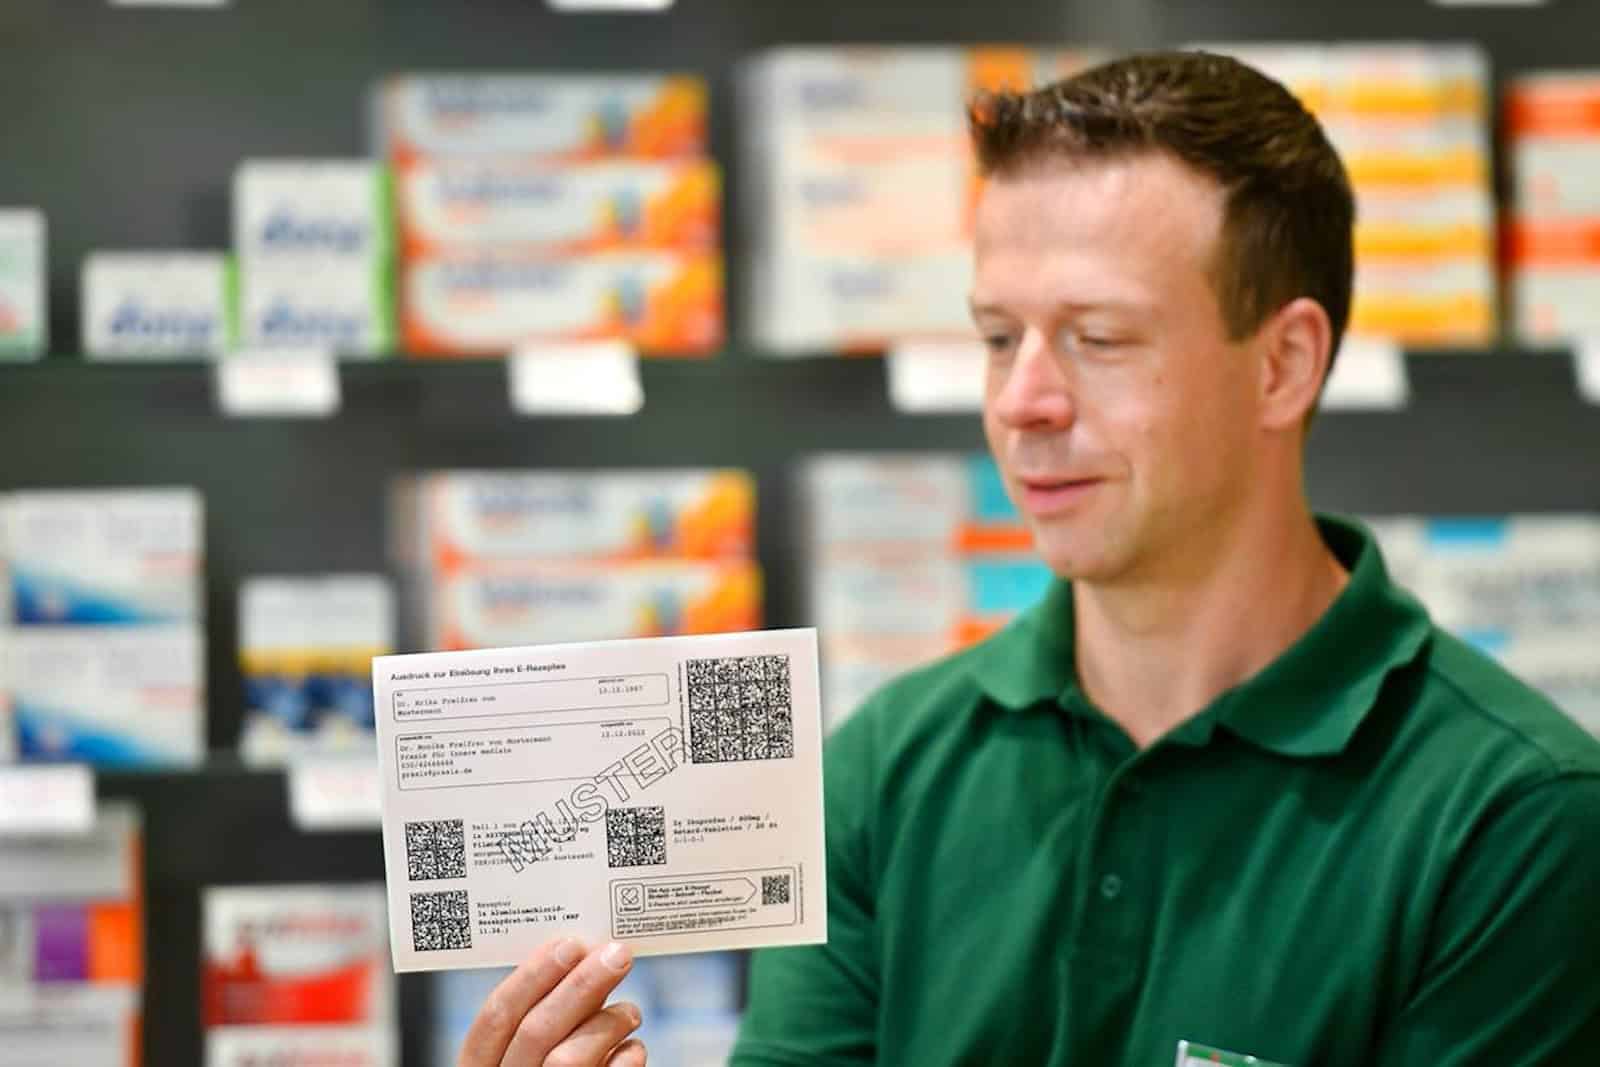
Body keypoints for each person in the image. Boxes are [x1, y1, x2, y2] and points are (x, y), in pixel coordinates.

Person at [456, 50, 1600, 1067]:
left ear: (1283, 364)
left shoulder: (1513, 818)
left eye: (1098, 339)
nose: (1022, 401)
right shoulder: (884, 771)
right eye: (998, 337)